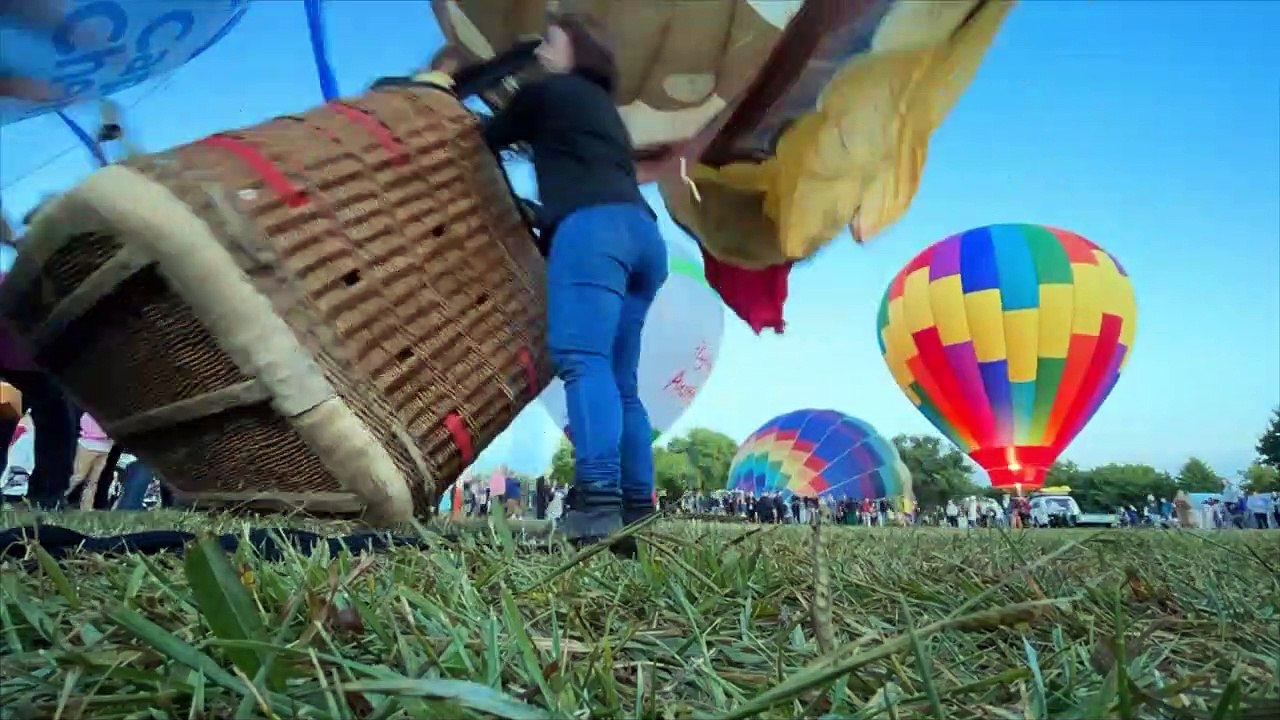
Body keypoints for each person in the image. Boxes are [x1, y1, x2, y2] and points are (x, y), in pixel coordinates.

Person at [482, 14, 666, 544]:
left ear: (575, 52)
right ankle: (635, 505)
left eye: (551, 41)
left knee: (582, 361)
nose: (540, 50)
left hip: (594, 233)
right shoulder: (603, 111)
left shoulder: (550, 93)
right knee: (621, 380)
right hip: (643, 236)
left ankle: (597, 504)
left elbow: (485, 138)